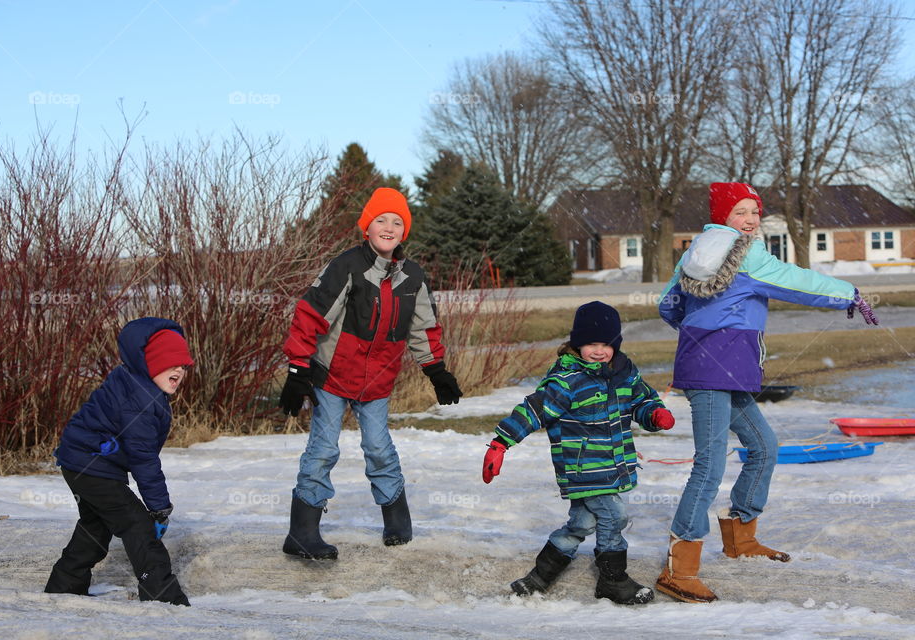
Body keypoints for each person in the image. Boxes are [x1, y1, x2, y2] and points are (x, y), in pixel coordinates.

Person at [655, 182, 879, 603]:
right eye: (742, 212)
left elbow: (667, 304)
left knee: (762, 446)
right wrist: (848, 293)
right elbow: (795, 282)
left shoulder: (695, 250)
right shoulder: (746, 252)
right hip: (714, 375)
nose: (751, 220)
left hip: (720, 370)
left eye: (755, 212)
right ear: (724, 216)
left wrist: (698, 336)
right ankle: (678, 570)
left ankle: (741, 536)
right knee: (708, 466)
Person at [279, 187, 462, 560]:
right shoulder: (347, 266)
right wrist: (298, 369)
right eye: (381, 220)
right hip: (331, 376)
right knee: (323, 448)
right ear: (367, 227)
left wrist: (436, 370)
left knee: (379, 448)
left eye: (398, 222)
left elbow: (423, 328)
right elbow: (310, 315)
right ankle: (301, 533)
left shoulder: (413, 277)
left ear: (404, 231)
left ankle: (397, 520)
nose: (389, 227)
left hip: (377, 382)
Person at [482, 301, 675, 605]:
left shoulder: (624, 372)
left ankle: (539, 577)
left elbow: (641, 400)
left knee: (582, 524)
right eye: (590, 344)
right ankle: (613, 581)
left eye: (606, 344)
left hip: (614, 465)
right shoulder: (567, 380)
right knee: (614, 515)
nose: (599, 351)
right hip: (582, 466)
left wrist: (654, 414)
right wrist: (501, 443)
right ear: (577, 344)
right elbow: (534, 410)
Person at [45, 317, 195, 606]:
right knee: (138, 526)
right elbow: (143, 458)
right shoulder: (140, 401)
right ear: (147, 363)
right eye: (170, 363)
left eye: (183, 365)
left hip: (83, 463)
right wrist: (158, 507)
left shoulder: (136, 382)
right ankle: (164, 598)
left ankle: (63, 586)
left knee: (96, 528)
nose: (179, 369)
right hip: (92, 466)